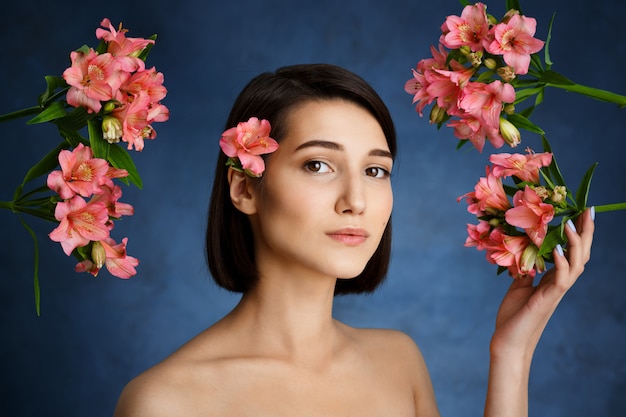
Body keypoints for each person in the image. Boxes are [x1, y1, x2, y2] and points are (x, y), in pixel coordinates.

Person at [113, 63, 595, 417]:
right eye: (318, 165)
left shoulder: (397, 361)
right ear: (245, 188)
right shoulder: (165, 401)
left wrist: (512, 353)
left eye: (375, 170)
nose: (356, 200)